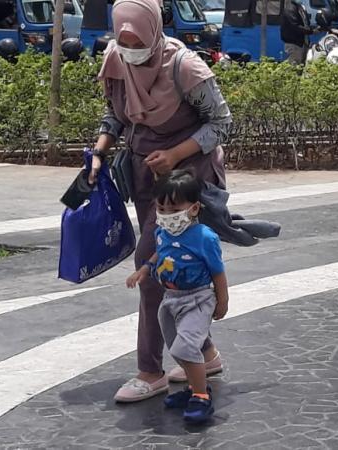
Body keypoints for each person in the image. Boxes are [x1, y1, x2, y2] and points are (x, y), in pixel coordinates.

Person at [90, 0, 232, 404]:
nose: (130, 48)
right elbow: (115, 116)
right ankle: (206, 353)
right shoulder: (116, 60)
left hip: (184, 181)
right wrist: (99, 151)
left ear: (154, 30)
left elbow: (222, 123)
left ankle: (149, 369)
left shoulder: (185, 68)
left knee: (151, 267)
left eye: (137, 40)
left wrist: (175, 153)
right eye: (123, 39)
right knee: (176, 264)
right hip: (141, 175)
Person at [126, 170, 229, 423]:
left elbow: (218, 271)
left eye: (174, 210)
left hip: (199, 299)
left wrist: (222, 300)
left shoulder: (204, 237)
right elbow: (159, 254)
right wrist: (144, 269)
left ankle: (202, 396)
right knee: (177, 348)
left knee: (186, 346)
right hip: (171, 299)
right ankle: (194, 388)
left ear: (193, 209)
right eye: (161, 209)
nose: (167, 216)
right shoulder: (163, 232)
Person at [281, 0, 311, 64]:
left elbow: (305, 22)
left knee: (301, 65)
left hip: (302, 43)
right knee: (294, 66)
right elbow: (295, 26)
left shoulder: (300, 8)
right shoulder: (290, 9)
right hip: (294, 44)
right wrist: (310, 31)